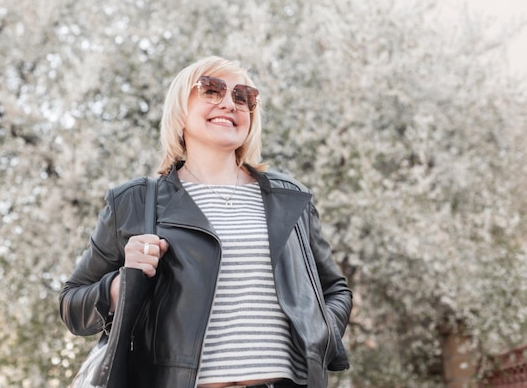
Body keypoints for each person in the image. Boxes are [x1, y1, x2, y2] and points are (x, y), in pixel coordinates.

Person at [60, 56, 352, 388]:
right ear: (180, 111)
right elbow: (72, 304)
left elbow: (334, 289)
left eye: (243, 97)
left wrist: (319, 334)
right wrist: (120, 284)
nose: (230, 103)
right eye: (212, 90)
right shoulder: (135, 202)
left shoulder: (292, 198)